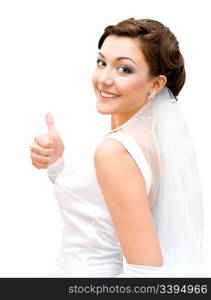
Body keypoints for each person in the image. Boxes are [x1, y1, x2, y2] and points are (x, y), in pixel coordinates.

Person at [29, 18, 209, 277]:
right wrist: (57, 165)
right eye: (102, 62)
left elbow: (145, 272)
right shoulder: (149, 140)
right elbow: (100, 208)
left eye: (124, 69)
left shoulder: (115, 151)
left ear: (156, 84)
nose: (103, 79)